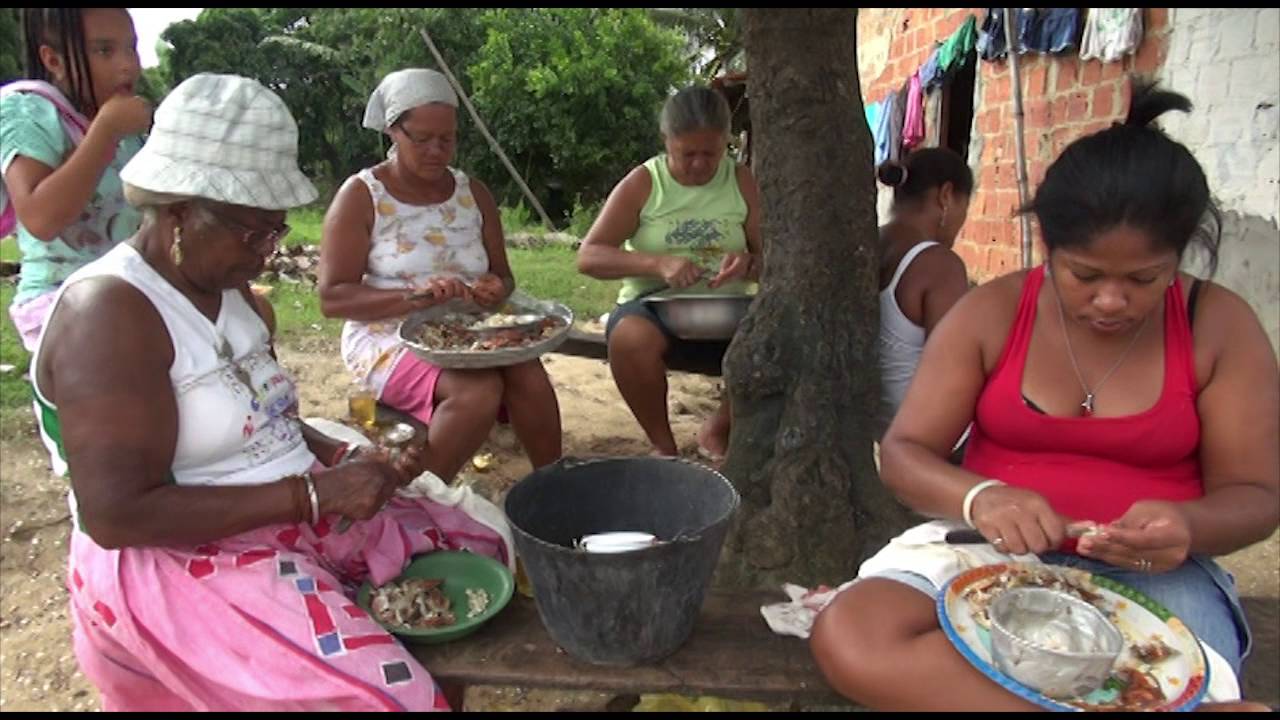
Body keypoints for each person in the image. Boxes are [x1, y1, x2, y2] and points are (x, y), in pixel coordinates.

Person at [33, 73, 509, 712]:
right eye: (251, 234)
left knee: (482, 544)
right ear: (178, 210)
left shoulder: (231, 292)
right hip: (178, 557)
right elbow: (117, 516)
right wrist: (312, 493)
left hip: (283, 510)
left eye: (274, 233)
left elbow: (264, 415)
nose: (264, 257)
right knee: (391, 702)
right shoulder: (111, 313)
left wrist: (336, 457)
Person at [810, 82, 1278, 710]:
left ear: (1181, 255)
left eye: (1144, 279)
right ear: (1050, 247)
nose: (1111, 301)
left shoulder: (1218, 326)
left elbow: (1256, 497)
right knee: (853, 637)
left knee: (1180, 680)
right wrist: (979, 497)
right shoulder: (992, 311)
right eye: (1084, 274)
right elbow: (904, 453)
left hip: (1156, 576)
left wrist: (1187, 525)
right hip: (986, 549)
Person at [320, 68, 561, 481]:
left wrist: (493, 288)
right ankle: (427, 500)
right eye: (422, 139)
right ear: (394, 131)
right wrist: (416, 300)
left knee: (529, 375)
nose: (436, 150)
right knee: (477, 391)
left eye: (446, 139)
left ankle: (554, 483)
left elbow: (503, 277)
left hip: (466, 329)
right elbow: (332, 298)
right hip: (386, 335)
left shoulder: (473, 194)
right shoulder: (362, 195)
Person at [576, 85, 762, 460]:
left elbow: (770, 254)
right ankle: (664, 446)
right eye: (686, 154)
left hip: (728, 309)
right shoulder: (645, 182)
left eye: (710, 154)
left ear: (727, 141)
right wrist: (656, 263)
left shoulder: (741, 180)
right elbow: (590, 256)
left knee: (782, 333)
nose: (698, 165)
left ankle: (719, 428)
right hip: (657, 308)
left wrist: (749, 261)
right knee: (628, 339)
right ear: (666, 141)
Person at [1, 8, 151, 351]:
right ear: (54, 60)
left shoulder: (129, 132)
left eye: (132, 47)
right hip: (61, 304)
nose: (128, 64)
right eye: (104, 50)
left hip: (129, 294)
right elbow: (40, 218)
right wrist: (106, 131)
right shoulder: (30, 111)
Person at [874, 147, 973, 440]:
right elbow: (954, 368)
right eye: (965, 205)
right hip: (928, 435)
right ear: (946, 196)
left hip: (880, 425)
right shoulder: (938, 264)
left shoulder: (871, 244)